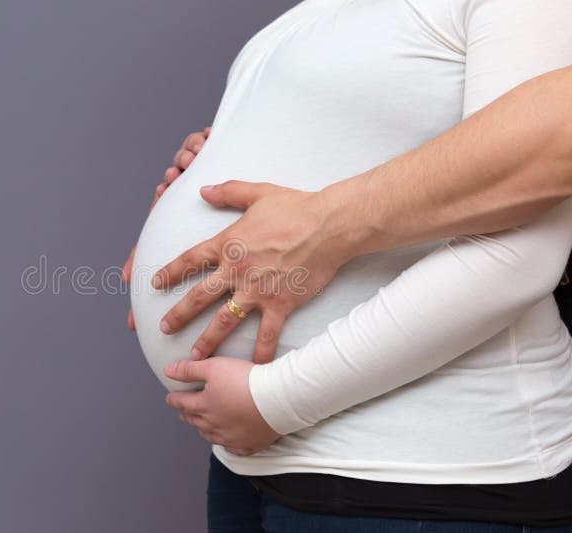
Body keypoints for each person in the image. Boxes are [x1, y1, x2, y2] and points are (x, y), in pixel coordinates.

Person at [123, 1, 572, 531]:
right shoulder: (302, 17)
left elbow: (523, 251)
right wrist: (201, 186)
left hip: (422, 471)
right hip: (251, 464)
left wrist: (279, 399)